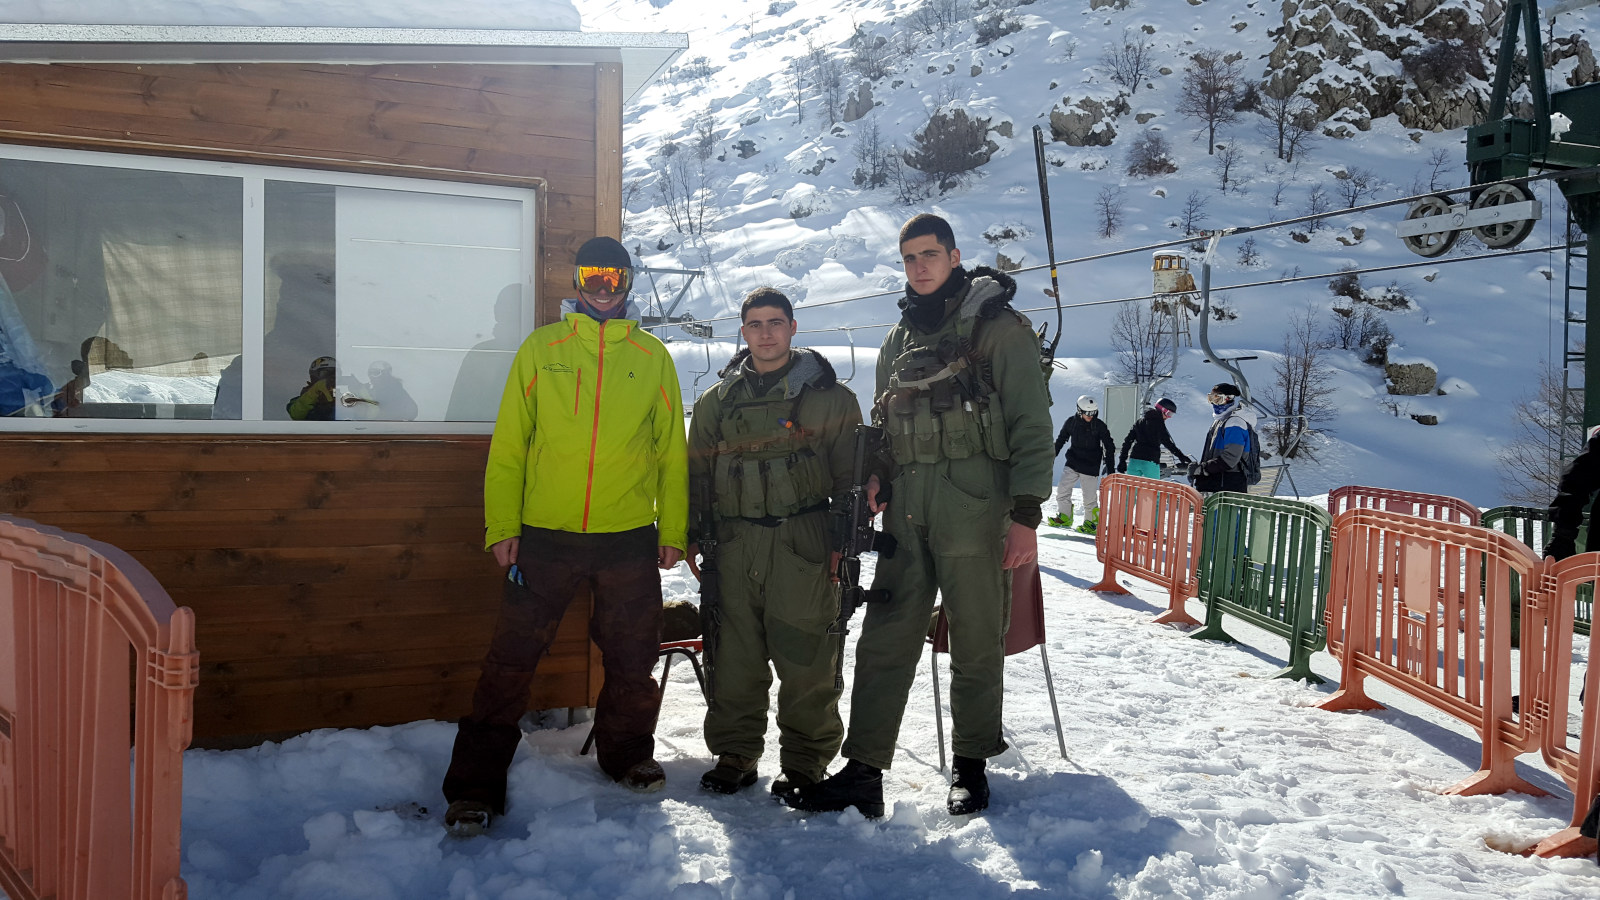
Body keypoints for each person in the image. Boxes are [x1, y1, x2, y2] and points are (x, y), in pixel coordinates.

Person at [784, 213, 1053, 818]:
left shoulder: (999, 330)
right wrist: (877, 473)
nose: (919, 267)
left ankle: (971, 765)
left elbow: (1032, 425)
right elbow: (882, 428)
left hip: (978, 506)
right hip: (908, 511)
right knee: (885, 639)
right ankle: (864, 771)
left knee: (977, 639)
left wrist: (1027, 515)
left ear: (955, 257)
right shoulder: (897, 340)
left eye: (930, 255)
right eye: (909, 258)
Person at [441, 235, 688, 836]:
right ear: (576, 283)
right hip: (544, 536)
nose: (604, 288)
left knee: (634, 656)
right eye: (593, 277)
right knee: (511, 659)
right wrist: (502, 526)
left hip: (627, 534)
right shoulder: (541, 350)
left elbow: (671, 454)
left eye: (616, 278)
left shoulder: (653, 357)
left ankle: (627, 753)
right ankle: (474, 787)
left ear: (629, 285)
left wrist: (673, 529)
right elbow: (508, 448)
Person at [686, 288, 861, 797]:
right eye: (755, 324)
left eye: (775, 322)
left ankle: (806, 761)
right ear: (743, 333)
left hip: (803, 540)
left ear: (792, 328)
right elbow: (696, 475)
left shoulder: (830, 397)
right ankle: (736, 752)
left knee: (807, 654)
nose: (765, 333)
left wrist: (839, 544)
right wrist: (696, 536)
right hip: (734, 542)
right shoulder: (716, 402)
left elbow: (852, 474)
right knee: (734, 654)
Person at [1046, 395, 1115, 533]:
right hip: (1073, 462)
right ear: (1079, 410)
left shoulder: (1099, 425)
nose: (1090, 416)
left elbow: (1109, 446)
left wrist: (1110, 467)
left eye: (1093, 413)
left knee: (1089, 498)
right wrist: (1051, 458)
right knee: (1062, 491)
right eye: (1087, 413)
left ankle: (1091, 524)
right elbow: (1060, 440)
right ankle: (1064, 517)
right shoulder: (1071, 422)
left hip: (1090, 465)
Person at [1191, 382, 1257, 495]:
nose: (1214, 403)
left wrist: (1203, 469)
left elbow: (1230, 459)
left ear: (1228, 399)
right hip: (1219, 484)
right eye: (1211, 398)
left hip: (1229, 486)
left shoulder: (1235, 424)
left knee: (1223, 513)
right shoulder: (1221, 421)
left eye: (1218, 399)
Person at [1117, 397, 1192, 480]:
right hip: (1150, 462)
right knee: (1154, 490)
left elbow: (1128, 441)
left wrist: (1122, 460)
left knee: (1130, 490)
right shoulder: (1159, 425)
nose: (1168, 417)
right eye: (1168, 414)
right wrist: (1181, 456)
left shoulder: (1139, 422)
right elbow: (1168, 443)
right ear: (1162, 410)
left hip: (1135, 461)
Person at [286, 356, 337, 421]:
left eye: (335, 374)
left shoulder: (344, 396)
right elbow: (296, 414)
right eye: (325, 373)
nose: (330, 379)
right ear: (314, 376)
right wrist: (314, 392)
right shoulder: (304, 399)